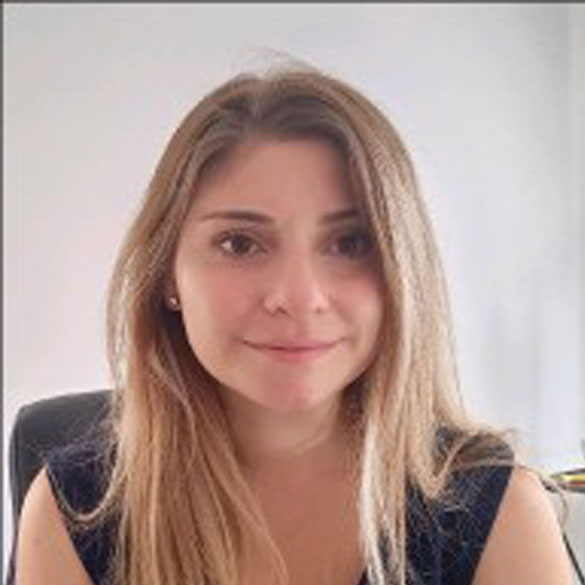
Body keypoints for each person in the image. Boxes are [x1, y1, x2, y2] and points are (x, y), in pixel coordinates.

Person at [14, 64, 572, 585]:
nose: (300, 298)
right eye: (239, 243)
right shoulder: (73, 510)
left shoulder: (499, 512)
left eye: (350, 243)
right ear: (168, 277)